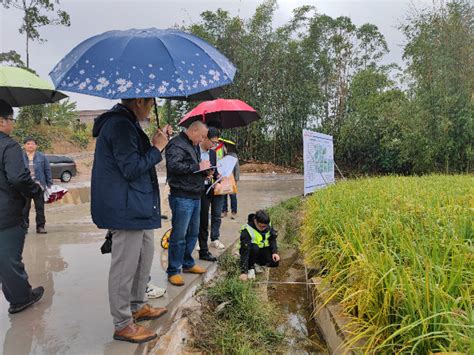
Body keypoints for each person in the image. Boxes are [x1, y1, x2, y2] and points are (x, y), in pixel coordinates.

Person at [91, 97, 169, 344]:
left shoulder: (129, 124)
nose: (151, 108)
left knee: (143, 258)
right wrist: (157, 149)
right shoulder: (120, 125)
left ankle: (137, 306)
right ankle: (123, 323)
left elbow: (136, 161)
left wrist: (158, 144)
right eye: (150, 103)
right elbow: (131, 168)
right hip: (125, 208)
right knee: (125, 267)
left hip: (137, 204)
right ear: (139, 101)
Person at [0, 99, 45, 314]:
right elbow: (18, 178)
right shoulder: (8, 146)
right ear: (2, 121)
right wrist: (36, 190)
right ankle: (20, 298)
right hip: (6, 213)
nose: (12, 124)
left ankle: (19, 293)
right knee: (9, 259)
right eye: (11, 119)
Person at [165, 120, 210, 286]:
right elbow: (174, 166)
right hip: (181, 196)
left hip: (195, 194)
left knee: (193, 232)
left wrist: (204, 173)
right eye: (203, 136)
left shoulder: (193, 145)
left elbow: (193, 169)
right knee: (179, 235)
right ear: (195, 131)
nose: (202, 140)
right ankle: (173, 270)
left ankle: (187, 263)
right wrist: (197, 166)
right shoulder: (176, 144)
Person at [197, 127, 224, 262]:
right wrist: (203, 174)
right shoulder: (195, 151)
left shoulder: (213, 154)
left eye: (216, 143)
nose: (214, 145)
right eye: (213, 142)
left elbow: (215, 169)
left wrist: (218, 176)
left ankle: (215, 238)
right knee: (202, 219)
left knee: (216, 214)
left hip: (213, 188)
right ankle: (201, 244)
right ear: (205, 138)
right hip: (201, 190)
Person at [22, 136, 52, 234]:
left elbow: (47, 171)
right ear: (24, 145)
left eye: (33, 144)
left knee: (40, 208)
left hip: (39, 186)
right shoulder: (19, 157)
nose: (30, 145)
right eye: (28, 143)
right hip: (25, 186)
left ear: (36, 145)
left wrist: (49, 184)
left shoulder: (42, 157)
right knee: (25, 208)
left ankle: (40, 227)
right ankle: (24, 227)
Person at [239, 210, 280, 281]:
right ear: (255, 221)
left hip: (262, 249)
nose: (264, 229)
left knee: (275, 262)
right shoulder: (247, 230)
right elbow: (245, 252)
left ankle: (257, 263)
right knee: (255, 248)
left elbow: (272, 239)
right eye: (262, 227)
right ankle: (250, 267)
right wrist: (243, 272)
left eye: (265, 226)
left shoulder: (268, 224)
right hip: (250, 251)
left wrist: (274, 252)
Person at [220, 138, 239, 219]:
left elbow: (237, 168)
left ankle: (234, 212)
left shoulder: (233, 156)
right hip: (224, 178)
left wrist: (236, 179)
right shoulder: (222, 155)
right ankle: (224, 211)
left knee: (233, 196)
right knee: (224, 196)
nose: (223, 147)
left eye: (224, 146)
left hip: (232, 178)